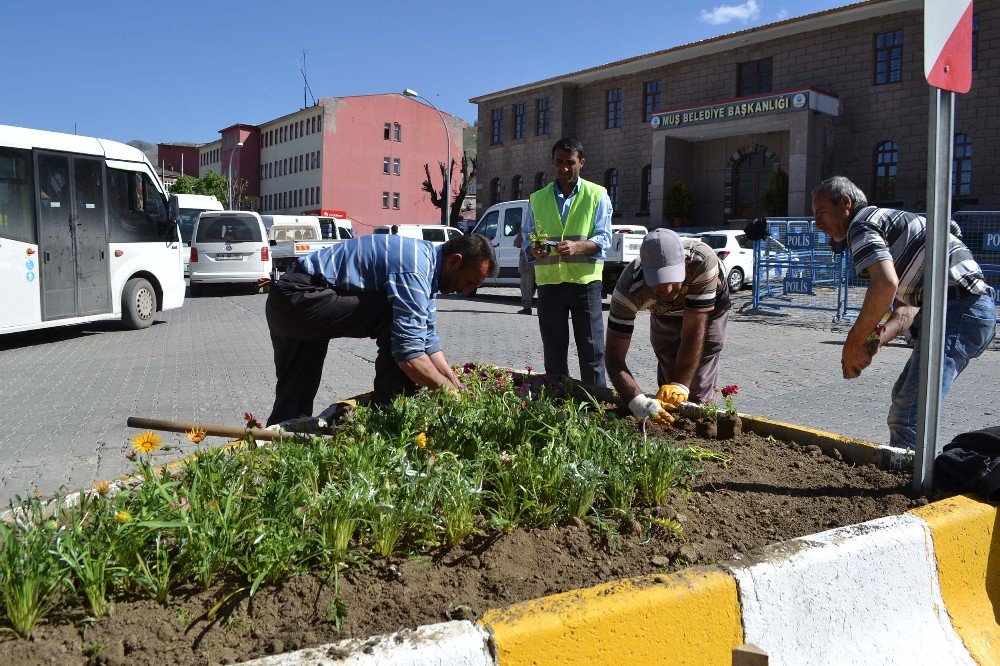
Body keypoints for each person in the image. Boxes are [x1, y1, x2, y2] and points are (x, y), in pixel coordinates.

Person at [812, 176, 997, 450]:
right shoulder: (888, 224)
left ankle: (912, 487)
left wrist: (852, 344)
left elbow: (885, 284)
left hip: (960, 311)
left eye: (821, 212)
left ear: (846, 203)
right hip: (965, 313)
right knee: (903, 397)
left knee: (907, 416)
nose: (818, 224)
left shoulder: (862, 224)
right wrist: (872, 342)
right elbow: (906, 312)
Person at [265, 233, 498, 426]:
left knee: (293, 402)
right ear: (454, 261)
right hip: (300, 298)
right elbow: (411, 355)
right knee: (392, 316)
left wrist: (455, 384)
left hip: (290, 301)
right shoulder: (415, 270)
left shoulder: (425, 263)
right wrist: (451, 396)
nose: (467, 292)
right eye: (470, 282)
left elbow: (427, 338)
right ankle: (389, 419)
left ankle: (273, 455)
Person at [605, 229, 731, 422]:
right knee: (666, 351)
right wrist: (638, 402)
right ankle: (665, 410)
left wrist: (681, 385)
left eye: (671, 277)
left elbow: (692, 332)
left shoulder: (702, 262)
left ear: (685, 263)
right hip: (662, 311)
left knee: (704, 354)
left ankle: (699, 414)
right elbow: (614, 358)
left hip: (708, 304)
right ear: (645, 272)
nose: (667, 289)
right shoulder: (629, 290)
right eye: (657, 281)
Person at [521, 137, 612, 386]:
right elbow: (527, 237)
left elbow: (604, 238)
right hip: (549, 285)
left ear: (581, 163)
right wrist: (534, 249)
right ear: (552, 162)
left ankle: (593, 408)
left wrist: (578, 246)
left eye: (570, 162)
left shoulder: (598, 195)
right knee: (554, 350)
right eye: (558, 162)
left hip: (585, 284)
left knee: (592, 350)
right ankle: (558, 404)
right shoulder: (536, 199)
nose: (563, 168)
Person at [513, 230, 535, 314]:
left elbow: (517, 243)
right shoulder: (544, 224)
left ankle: (527, 307)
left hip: (528, 262)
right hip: (541, 262)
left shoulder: (525, 228)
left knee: (526, 286)